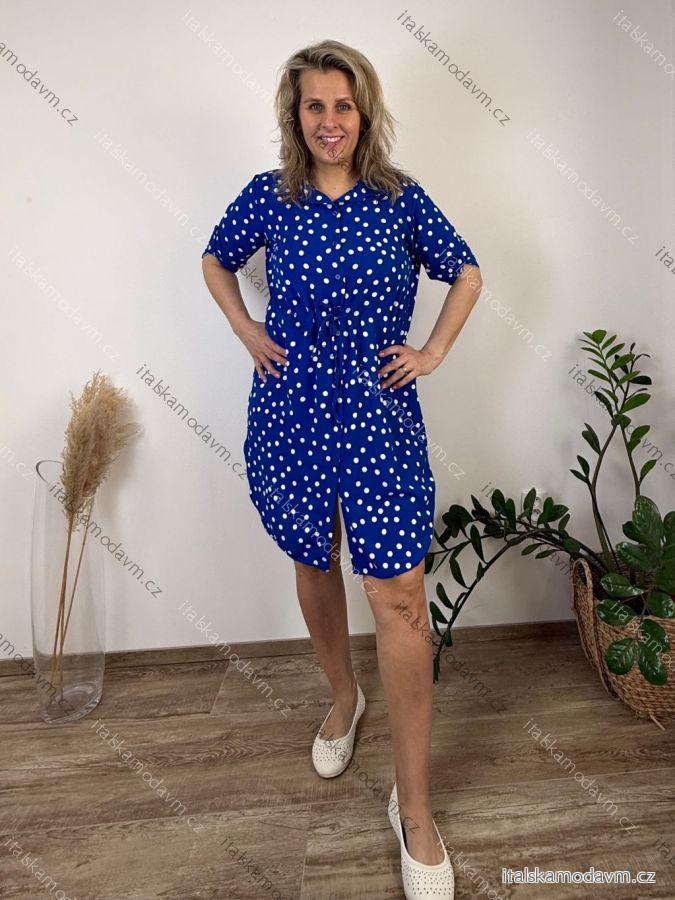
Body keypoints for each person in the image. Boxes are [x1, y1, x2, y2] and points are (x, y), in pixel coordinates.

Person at [201, 38, 482, 900]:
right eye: (314, 106)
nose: (329, 121)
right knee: (313, 557)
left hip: (377, 416)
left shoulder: (400, 199)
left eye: (343, 105)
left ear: (365, 113)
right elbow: (215, 257)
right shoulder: (270, 196)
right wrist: (247, 330)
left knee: (398, 595)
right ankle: (343, 696)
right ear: (296, 116)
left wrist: (430, 352)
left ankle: (415, 810)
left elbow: (466, 272)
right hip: (290, 409)